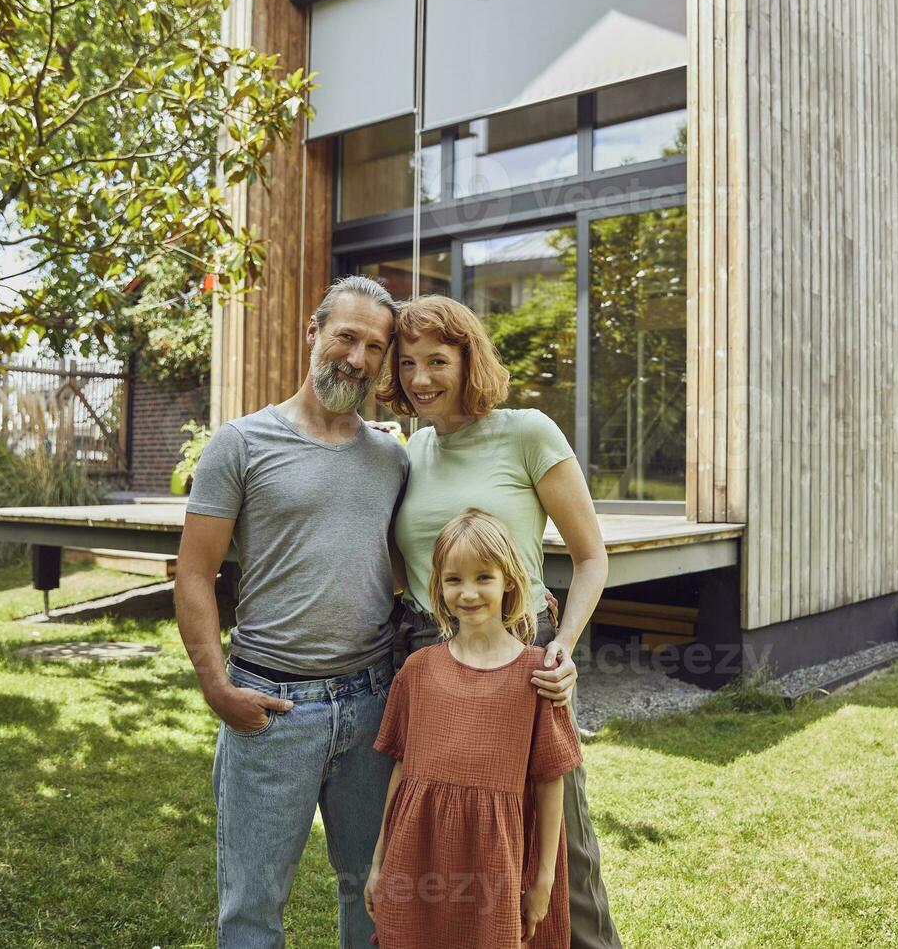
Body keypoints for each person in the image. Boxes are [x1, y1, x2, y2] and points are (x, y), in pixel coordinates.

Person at [376, 294, 622, 948]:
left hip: (522, 655)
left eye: (437, 360)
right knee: (449, 839)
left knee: (559, 839)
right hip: (427, 652)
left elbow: (591, 555)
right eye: (407, 364)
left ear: (469, 359)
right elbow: (410, 564)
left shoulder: (528, 432)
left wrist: (563, 646)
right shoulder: (413, 449)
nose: (421, 378)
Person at [175, 276, 407, 949]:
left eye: (374, 345)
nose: (357, 359)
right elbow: (194, 573)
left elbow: (407, 562)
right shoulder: (240, 444)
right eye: (345, 337)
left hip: (372, 703)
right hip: (269, 707)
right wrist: (216, 685)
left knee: (376, 891)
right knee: (251, 908)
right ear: (313, 335)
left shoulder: (392, 456)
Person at [365, 510, 583, 949]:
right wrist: (377, 864)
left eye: (483, 577)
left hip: (497, 867)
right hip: (419, 859)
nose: (468, 593)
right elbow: (401, 773)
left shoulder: (537, 673)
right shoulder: (418, 670)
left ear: (509, 582)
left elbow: (550, 783)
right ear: (438, 588)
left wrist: (543, 880)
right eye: (453, 580)